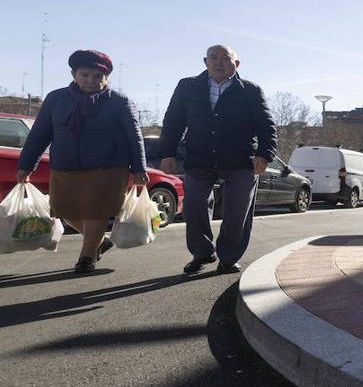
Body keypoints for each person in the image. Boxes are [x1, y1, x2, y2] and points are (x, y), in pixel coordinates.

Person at [16, 50, 149, 274]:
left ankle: (87, 257)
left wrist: (139, 169)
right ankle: (99, 241)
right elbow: (40, 134)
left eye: (98, 76)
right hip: (66, 165)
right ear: (73, 74)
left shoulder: (120, 102)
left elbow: (134, 136)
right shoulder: (56, 99)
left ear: (106, 78)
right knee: (63, 208)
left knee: (95, 211)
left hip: (107, 167)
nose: (91, 80)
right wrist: (26, 165)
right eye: (85, 74)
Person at [157, 44, 276, 275]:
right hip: (199, 157)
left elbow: (266, 126)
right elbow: (173, 122)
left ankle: (228, 258)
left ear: (236, 64)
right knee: (193, 207)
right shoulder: (188, 86)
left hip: (241, 160)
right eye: (214, 57)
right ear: (205, 61)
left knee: (237, 211)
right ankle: (201, 253)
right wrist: (167, 153)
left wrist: (264, 154)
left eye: (225, 58)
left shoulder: (250, 91)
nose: (219, 62)